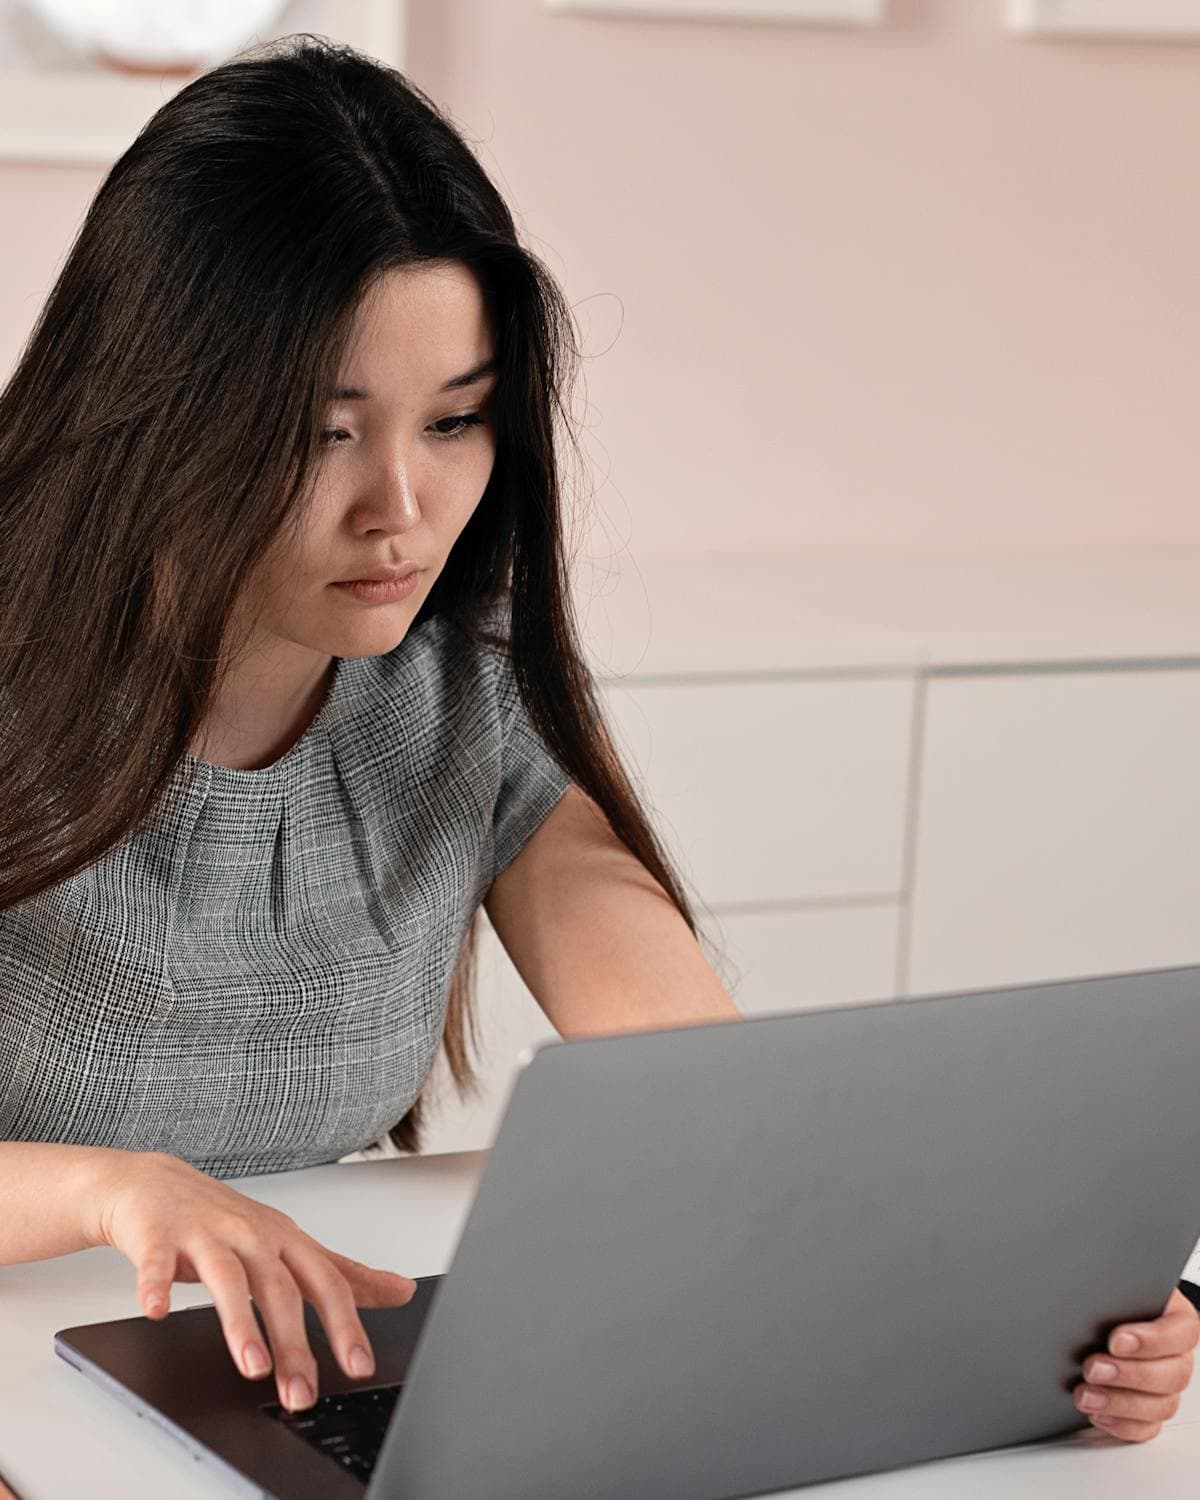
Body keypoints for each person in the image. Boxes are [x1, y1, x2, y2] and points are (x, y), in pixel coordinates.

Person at [0, 33, 1193, 1448]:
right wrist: (108, 1189)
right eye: (324, 435)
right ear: (166, 406)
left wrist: (1021, 1302)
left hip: (258, 1385)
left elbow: (712, 1106)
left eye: (457, 420)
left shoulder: (456, 687)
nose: (405, 508)